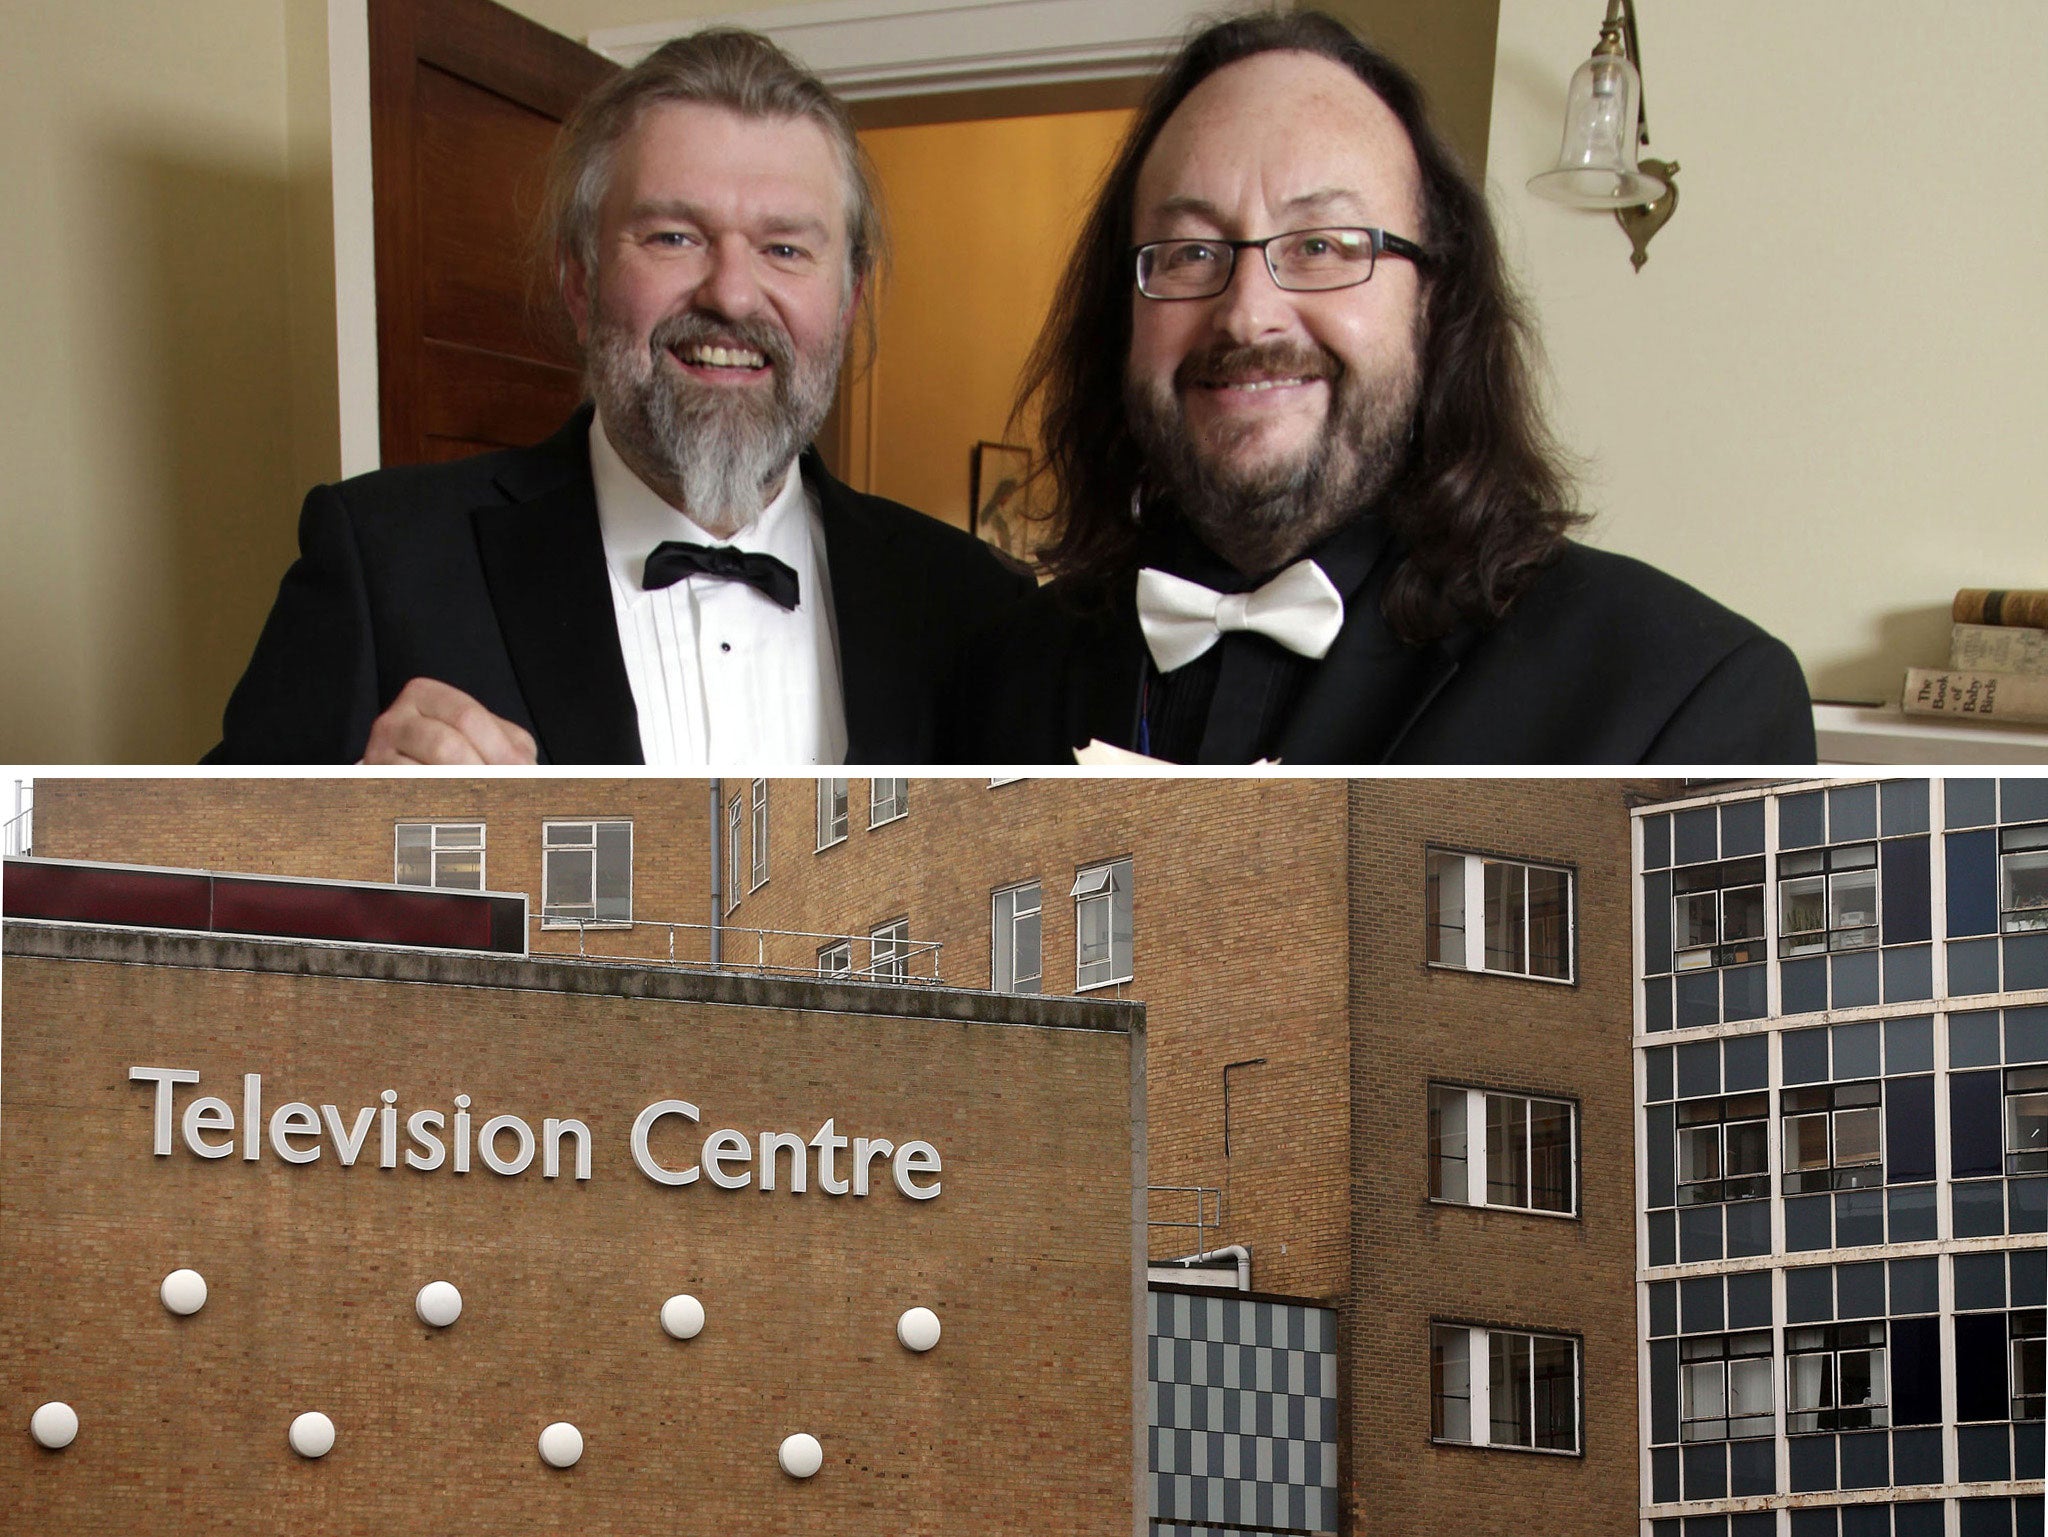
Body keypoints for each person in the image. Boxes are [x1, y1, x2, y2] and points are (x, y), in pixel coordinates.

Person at [945, 11, 1815, 765]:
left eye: (1322, 245)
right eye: (1189, 253)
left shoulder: (1684, 696)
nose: (1248, 315)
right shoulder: (1002, 670)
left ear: (1436, 301)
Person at [209, 30, 1028, 765]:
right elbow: (173, 899)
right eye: (674, 237)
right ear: (580, 279)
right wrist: (349, 840)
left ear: (845, 304)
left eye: (785, 247)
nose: (733, 295)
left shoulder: (975, 610)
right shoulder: (381, 559)